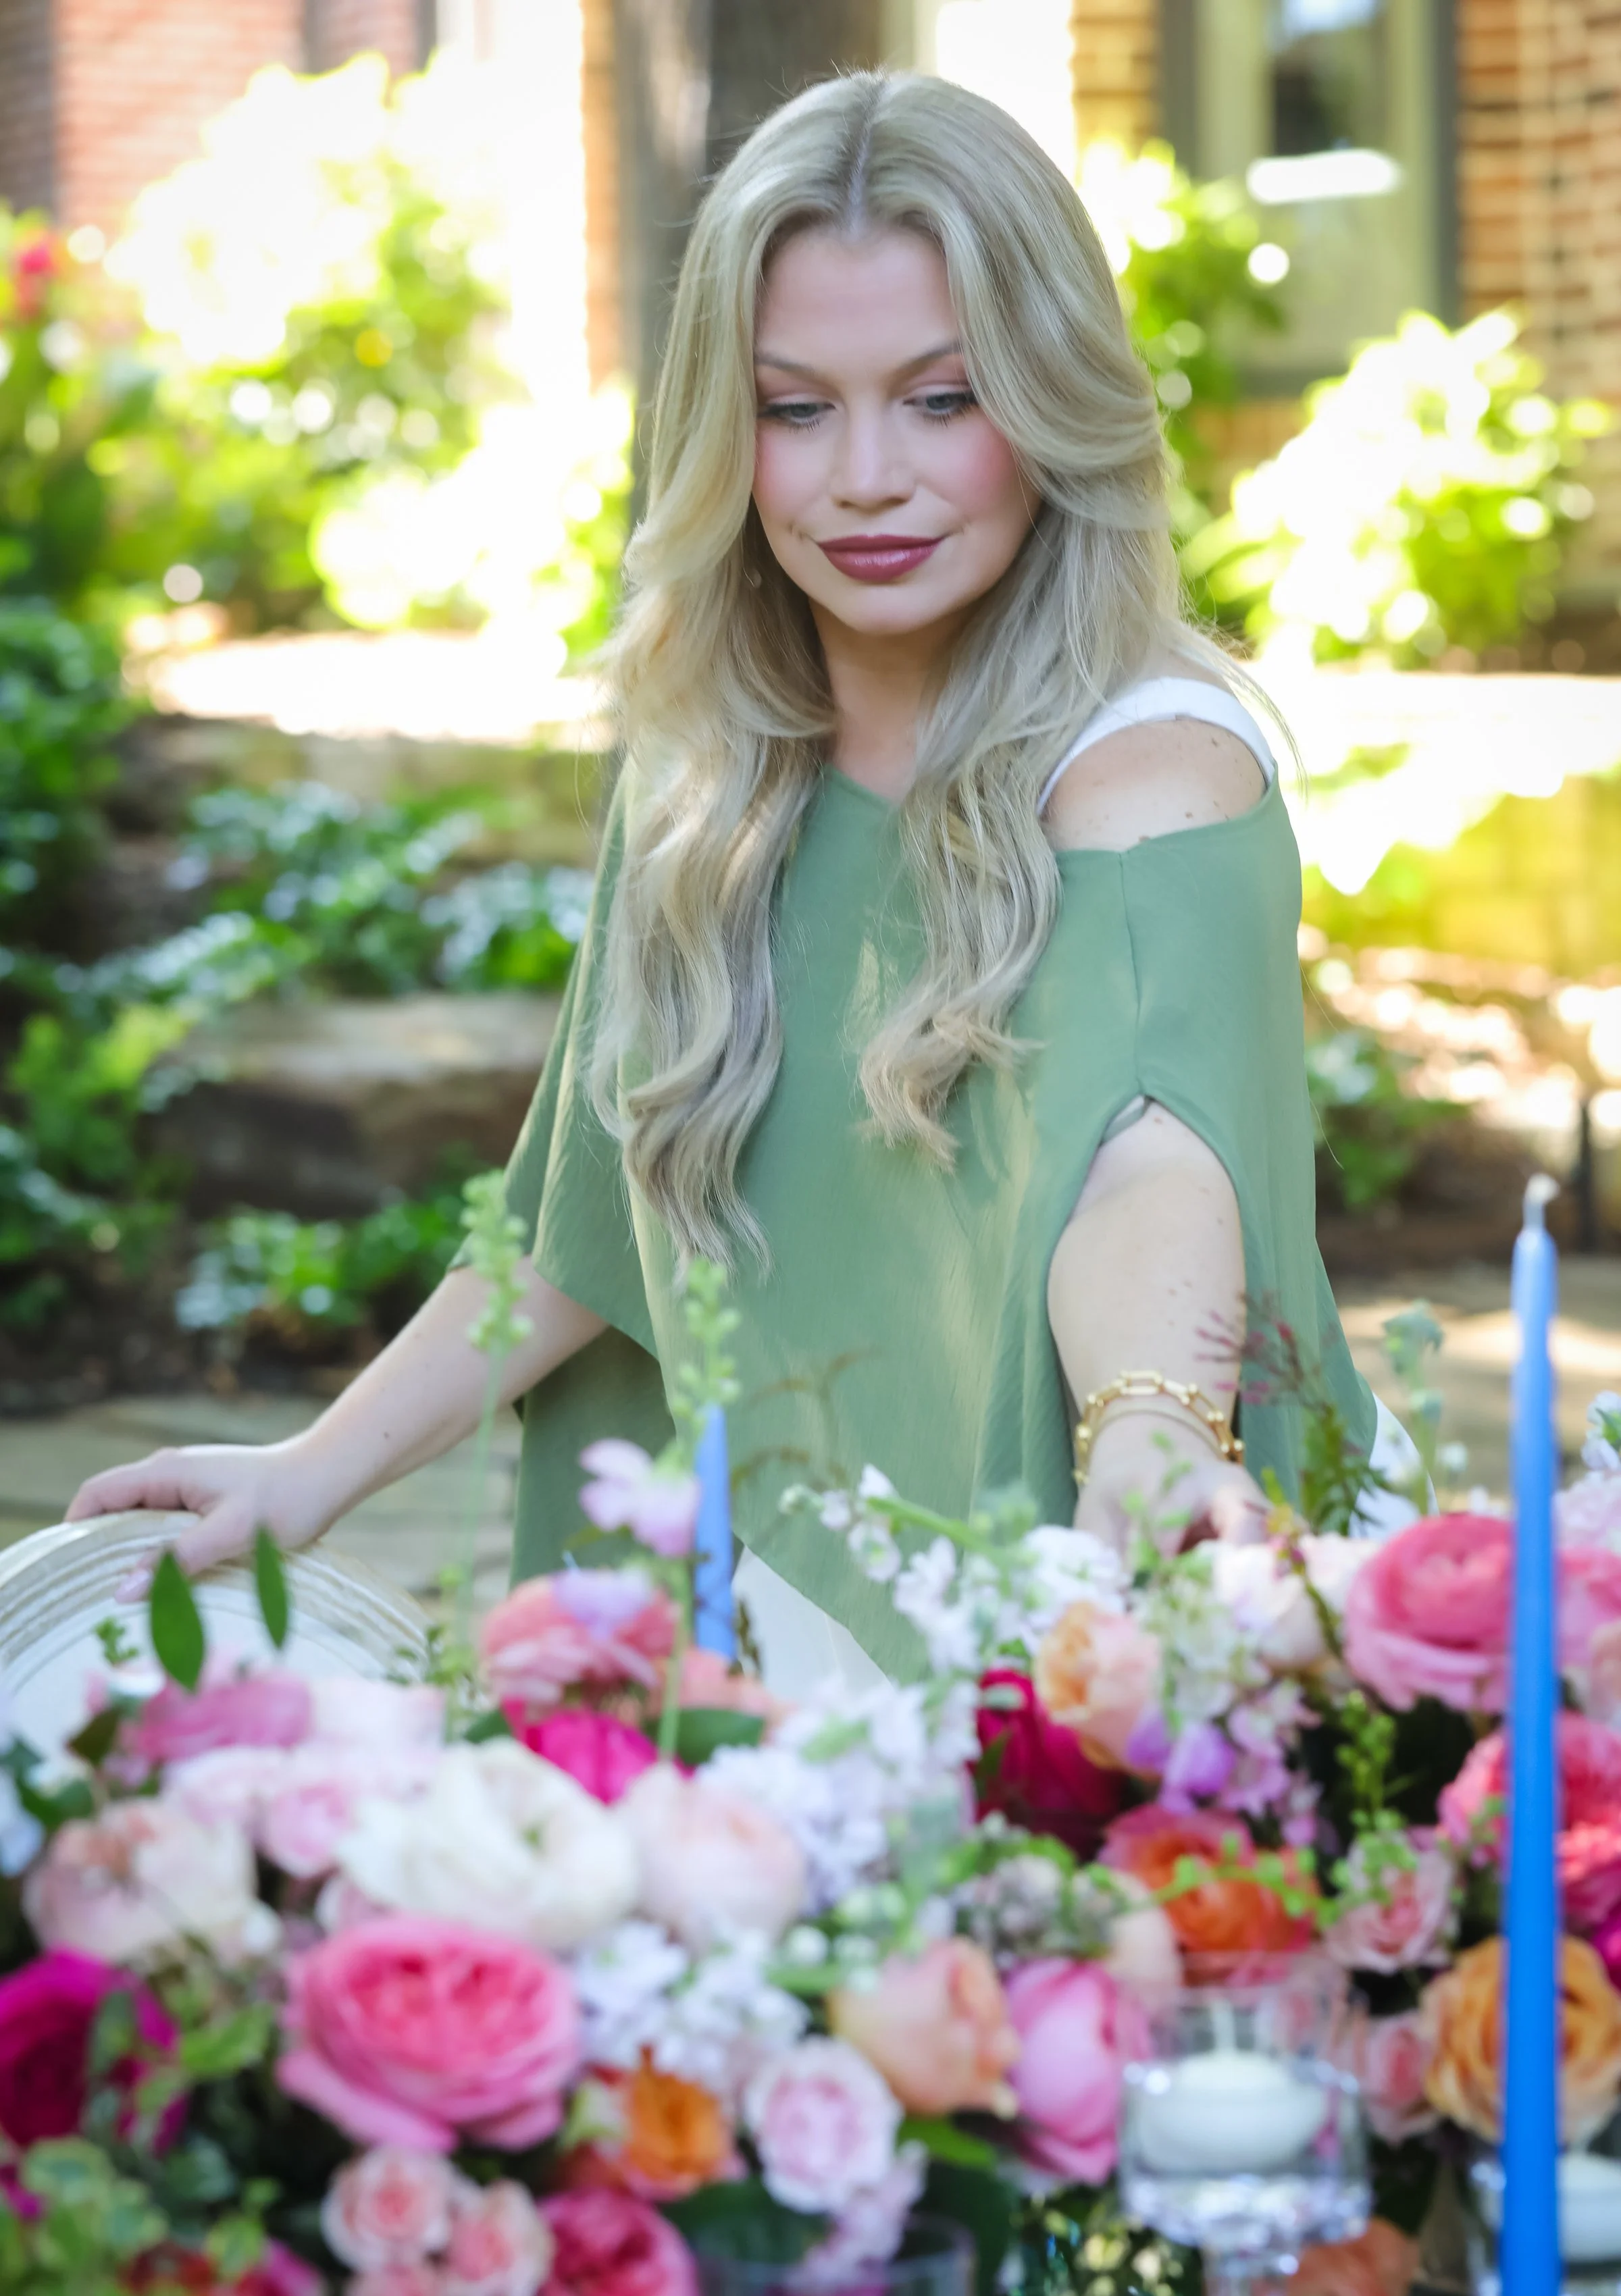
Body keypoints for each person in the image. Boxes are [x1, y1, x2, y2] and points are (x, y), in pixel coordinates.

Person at [66, 71, 1389, 1689]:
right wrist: (312, 1474)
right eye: (796, 407)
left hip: (1097, 1589)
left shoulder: (1150, 774)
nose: (866, 478)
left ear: (1050, 401)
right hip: (769, 1592)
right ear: (723, 428)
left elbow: (1150, 1159)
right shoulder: (716, 764)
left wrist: (1154, 1445)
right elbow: (589, 1214)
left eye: (943, 398)